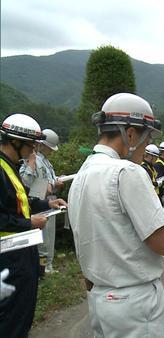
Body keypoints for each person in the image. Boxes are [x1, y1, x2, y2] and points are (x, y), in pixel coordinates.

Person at [68, 93, 164, 338]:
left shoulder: (83, 172)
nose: (147, 146)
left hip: (99, 297)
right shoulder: (127, 172)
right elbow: (163, 244)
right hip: (133, 302)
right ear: (130, 134)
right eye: (147, 137)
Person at [0, 113, 67, 337]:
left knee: (23, 312)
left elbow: (21, 201)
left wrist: (47, 203)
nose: (34, 151)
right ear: (16, 142)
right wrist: (29, 223)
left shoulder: (9, 166)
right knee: (11, 318)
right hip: (8, 257)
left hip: (21, 252)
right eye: (31, 145)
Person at [19, 128, 65, 273]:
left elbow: (46, 180)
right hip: (38, 202)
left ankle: (47, 266)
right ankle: (43, 268)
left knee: (49, 237)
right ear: (41, 146)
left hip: (47, 202)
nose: (52, 151)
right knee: (43, 239)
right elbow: (28, 184)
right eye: (50, 148)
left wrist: (54, 182)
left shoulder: (44, 161)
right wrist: (51, 185)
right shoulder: (32, 161)